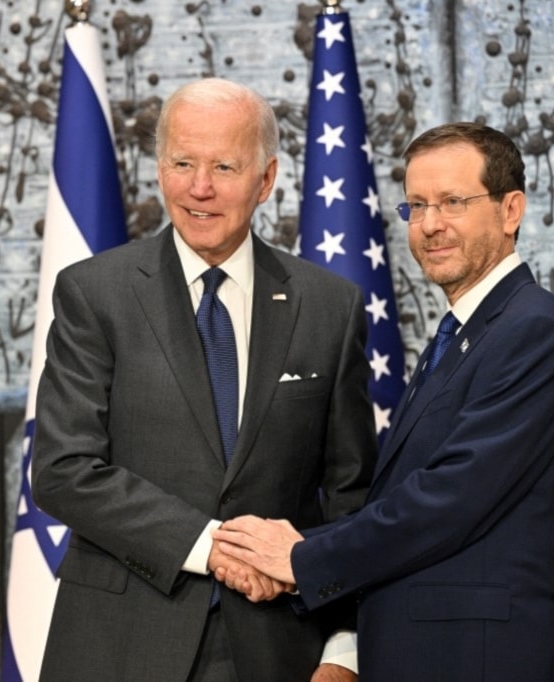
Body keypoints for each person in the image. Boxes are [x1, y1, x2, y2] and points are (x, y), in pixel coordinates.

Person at [30, 77, 378, 681]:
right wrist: (212, 545)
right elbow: (63, 471)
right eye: (182, 162)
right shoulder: (95, 294)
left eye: (224, 166)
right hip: (118, 646)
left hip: (280, 651)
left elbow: (351, 495)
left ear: (266, 179)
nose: (200, 188)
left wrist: (343, 648)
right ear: (160, 167)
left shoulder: (330, 306)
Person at [214, 122, 554, 681]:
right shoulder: (463, 333)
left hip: (486, 662)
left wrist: (297, 556)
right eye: (416, 206)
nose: (430, 225)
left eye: (453, 202)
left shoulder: (535, 330)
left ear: (511, 211)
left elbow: (449, 498)